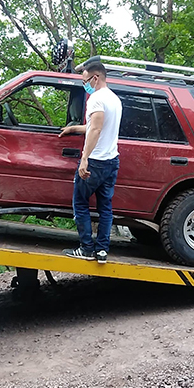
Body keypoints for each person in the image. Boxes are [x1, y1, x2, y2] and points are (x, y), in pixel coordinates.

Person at [59, 61, 123, 264]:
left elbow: (95, 129)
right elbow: (97, 126)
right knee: (105, 207)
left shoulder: (96, 98)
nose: (85, 84)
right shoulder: (114, 99)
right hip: (112, 160)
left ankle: (86, 249)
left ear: (96, 78)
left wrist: (84, 159)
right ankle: (102, 251)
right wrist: (74, 128)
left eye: (85, 80)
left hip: (95, 162)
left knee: (80, 203)